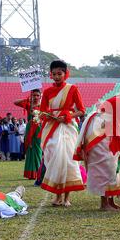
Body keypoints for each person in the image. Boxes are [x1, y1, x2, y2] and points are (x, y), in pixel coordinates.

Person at [76, 74, 120, 211]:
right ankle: (104, 203)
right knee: (105, 165)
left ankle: (111, 201)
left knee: (113, 165)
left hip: (110, 134)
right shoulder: (117, 102)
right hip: (99, 134)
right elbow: (114, 129)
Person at [40, 60, 86, 206]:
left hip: (68, 127)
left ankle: (66, 198)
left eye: (59, 73)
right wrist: (48, 116)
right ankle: (57, 196)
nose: (57, 76)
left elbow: (81, 110)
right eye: (54, 74)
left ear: (66, 74)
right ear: (50, 75)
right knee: (54, 159)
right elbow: (42, 111)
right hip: (52, 128)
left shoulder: (73, 89)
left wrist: (67, 116)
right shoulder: (47, 91)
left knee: (67, 160)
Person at [14, 89, 42, 179]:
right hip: (29, 128)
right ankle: (30, 174)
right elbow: (15, 102)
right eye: (34, 95)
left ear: (40, 96)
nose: (36, 97)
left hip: (38, 128)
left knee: (38, 150)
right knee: (30, 150)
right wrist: (27, 99)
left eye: (38, 95)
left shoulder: (43, 105)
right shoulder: (29, 104)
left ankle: (38, 172)